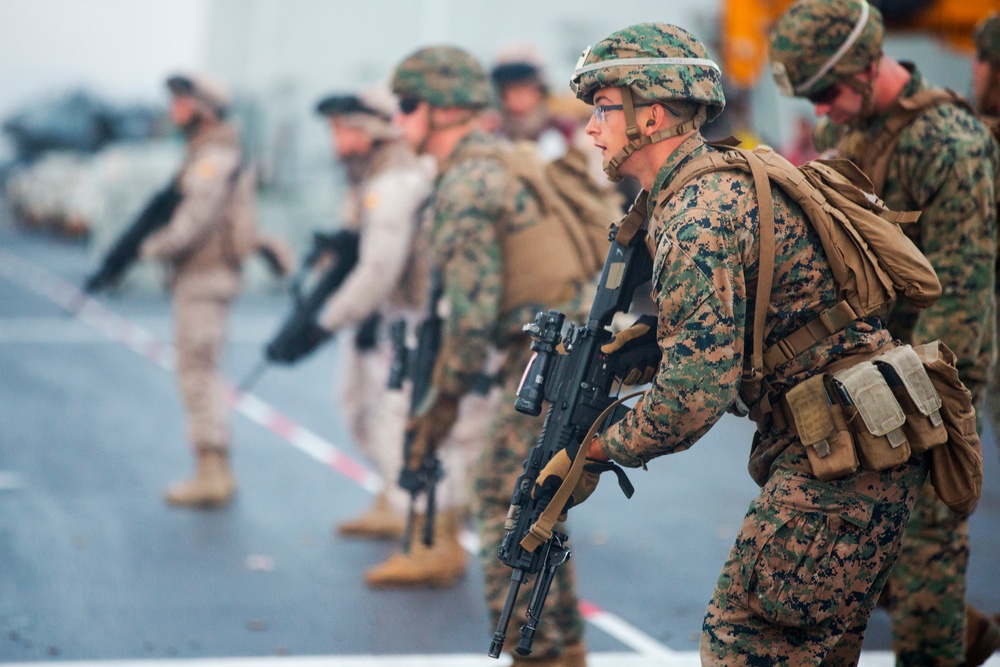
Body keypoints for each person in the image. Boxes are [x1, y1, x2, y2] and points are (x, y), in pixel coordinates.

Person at [558, 21, 928, 665]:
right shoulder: (707, 182)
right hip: (851, 443)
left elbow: (692, 400)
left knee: (746, 643)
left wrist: (595, 448)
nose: (590, 127)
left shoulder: (697, 215)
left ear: (653, 113)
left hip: (842, 461)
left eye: (603, 108)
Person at [769, 2, 1000, 664]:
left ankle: (939, 641)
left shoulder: (951, 144)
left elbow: (959, 295)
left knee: (924, 545)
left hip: (931, 374)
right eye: (812, 95)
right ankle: (961, 633)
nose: (823, 109)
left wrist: (910, 407)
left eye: (828, 92)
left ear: (871, 66)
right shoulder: (856, 130)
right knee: (848, 535)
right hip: (866, 363)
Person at [391, 46, 590, 666]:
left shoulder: (468, 183)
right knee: (535, 502)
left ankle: (539, 655)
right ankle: (560, 651)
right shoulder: (497, 162)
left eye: (406, 106)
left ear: (443, 111)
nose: (397, 122)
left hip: (552, 354)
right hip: (561, 347)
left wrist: (438, 409)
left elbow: (470, 319)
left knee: (503, 497)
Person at [311, 85, 493, 588]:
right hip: (409, 318)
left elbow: (379, 269)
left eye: (344, 129)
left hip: (427, 320)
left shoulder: (395, 183)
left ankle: (436, 542)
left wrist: (324, 322)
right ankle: (408, 516)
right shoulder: (379, 178)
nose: (337, 141)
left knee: (413, 427)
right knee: (378, 416)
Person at [140, 73, 257, 508]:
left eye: (182, 103)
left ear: (203, 109)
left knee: (198, 369)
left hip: (207, 278)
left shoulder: (215, 158)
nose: (174, 113)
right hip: (201, 277)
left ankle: (212, 471)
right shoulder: (205, 154)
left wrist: (152, 246)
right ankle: (212, 469)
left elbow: (195, 221)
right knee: (196, 368)